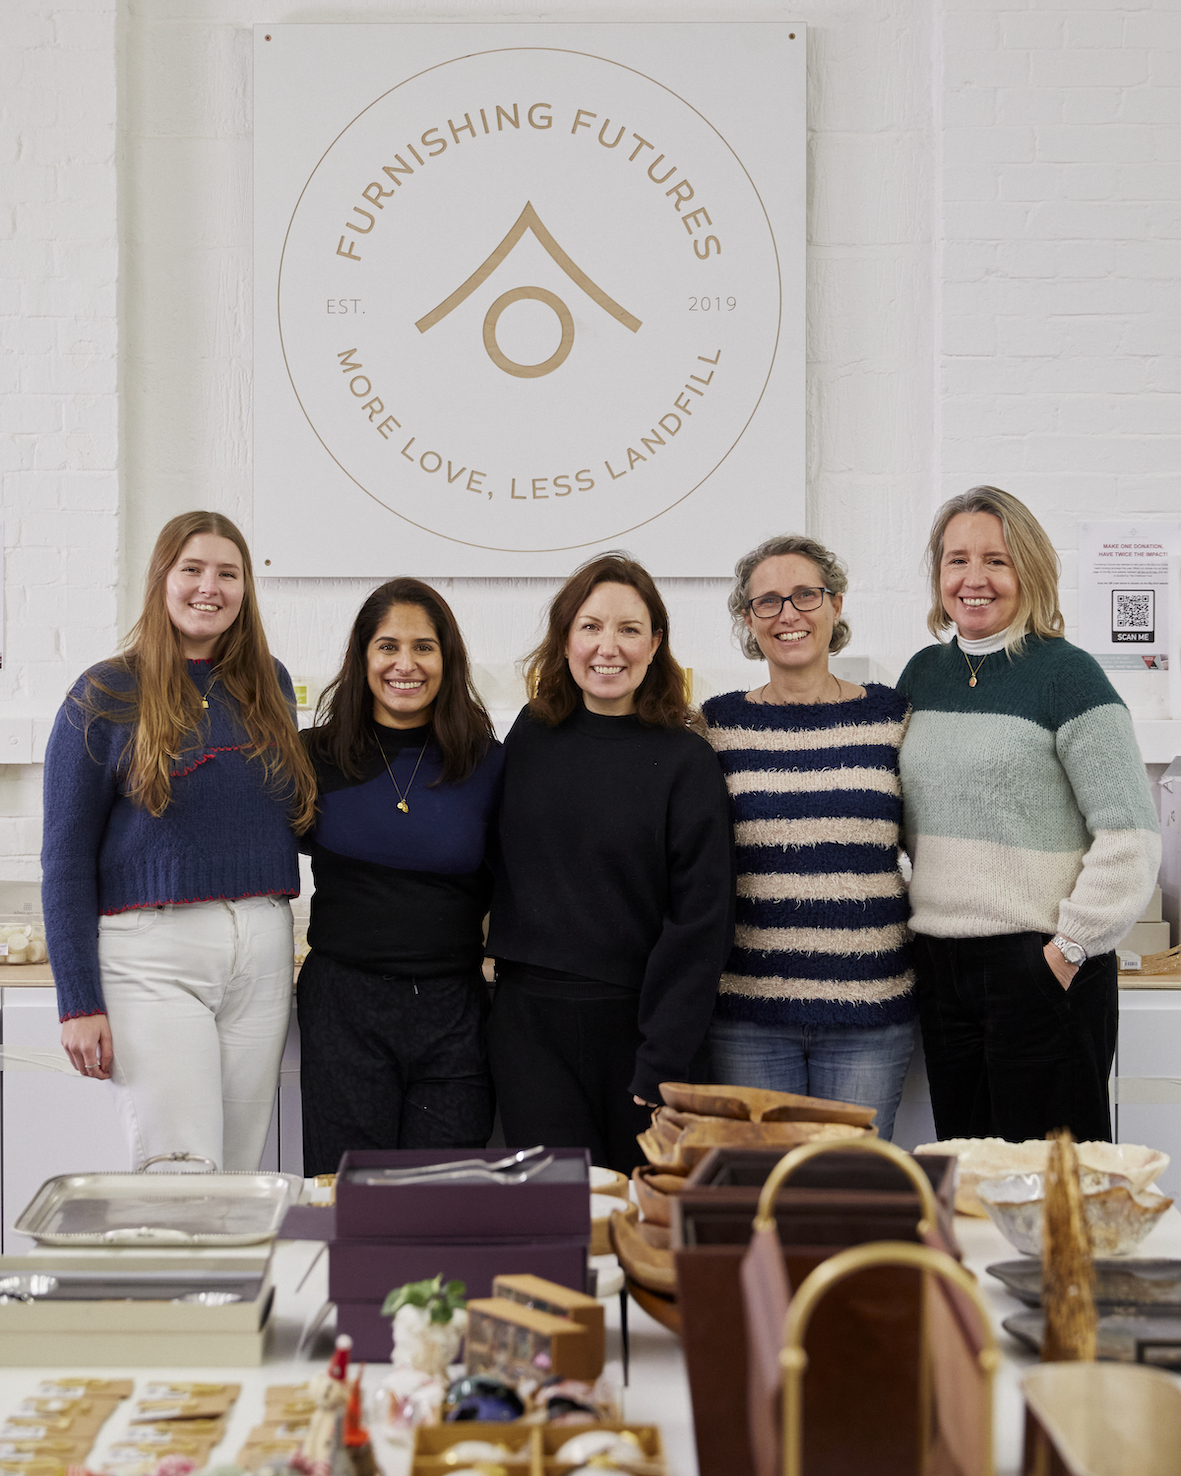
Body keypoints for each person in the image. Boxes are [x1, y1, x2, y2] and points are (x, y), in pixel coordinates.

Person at [42, 511, 317, 1170]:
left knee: (241, 1173)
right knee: (179, 1173)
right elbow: (66, 859)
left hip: (262, 946)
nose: (208, 587)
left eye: (227, 573)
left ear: (245, 589)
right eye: (191, 569)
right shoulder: (104, 693)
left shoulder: (270, 684)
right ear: (162, 579)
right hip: (152, 957)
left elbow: (288, 814)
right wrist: (78, 1001)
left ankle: (225, 1280)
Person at [898, 486, 1160, 1143]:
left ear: (1030, 572)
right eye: (956, 560)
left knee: (1053, 1189)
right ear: (938, 575)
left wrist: (1067, 949)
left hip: (1039, 964)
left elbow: (1130, 834)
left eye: (996, 560)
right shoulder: (920, 676)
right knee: (969, 1178)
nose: (973, 579)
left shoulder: (1066, 676)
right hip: (940, 967)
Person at [487, 552, 733, 1175]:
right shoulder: (529, 737)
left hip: (643, 1036)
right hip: (530, 1032)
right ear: (565, 638)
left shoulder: (687, 760)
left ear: (655, 644)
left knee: (647, 1231)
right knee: (559, 1229)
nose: (608, 647)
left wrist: (663, 1059)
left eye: (629, 629)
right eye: (591, 626)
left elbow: (700, 921)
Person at [702, 535, 916, 1141]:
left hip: (869, 1012)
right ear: (749, 619)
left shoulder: (890, 719)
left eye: (805, 595)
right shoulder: (716, 726)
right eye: (767, 601)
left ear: (835, 604)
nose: (788, 613)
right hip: (747, 1012)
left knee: (845, 1195)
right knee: (762, 1196)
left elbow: (928, 847)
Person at [297, 579, 502, 1175]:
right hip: (344, 1004)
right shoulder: (313, 755)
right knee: (348, 1196)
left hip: (454, 1009)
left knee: (445, 1204)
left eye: (424, 647)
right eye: (387, 646)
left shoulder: (486, 763)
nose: (405, 664)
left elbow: (516, 877)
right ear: (362, 659)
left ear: (448, 659)